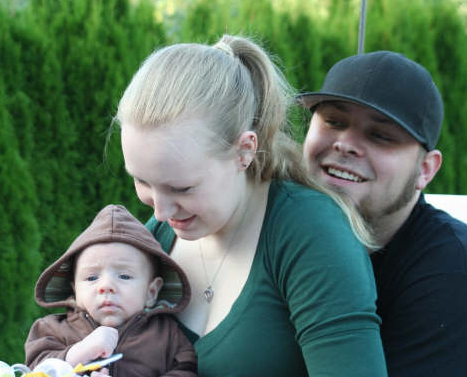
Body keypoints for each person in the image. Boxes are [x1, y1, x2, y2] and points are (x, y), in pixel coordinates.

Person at [113, 35, 387, 376]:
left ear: (244, 151)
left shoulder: (311, 234)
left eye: (182, 188)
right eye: (142, 182)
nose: (160, 212)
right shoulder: (155, 240)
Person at [296, 50, 467, 376]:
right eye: (334, 122)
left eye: (381, 136)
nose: (346, 143)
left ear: (426, 170)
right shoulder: (272, 229)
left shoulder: (459, 275)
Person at [24, 204, 197, 376]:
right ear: (75, 290)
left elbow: (186, 371)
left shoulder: (166, 335)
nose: (106, 286)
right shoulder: (51, 330)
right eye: (92, 278)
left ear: (151, 292)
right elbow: (34, 370)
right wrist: (74, 355)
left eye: (124, 276)